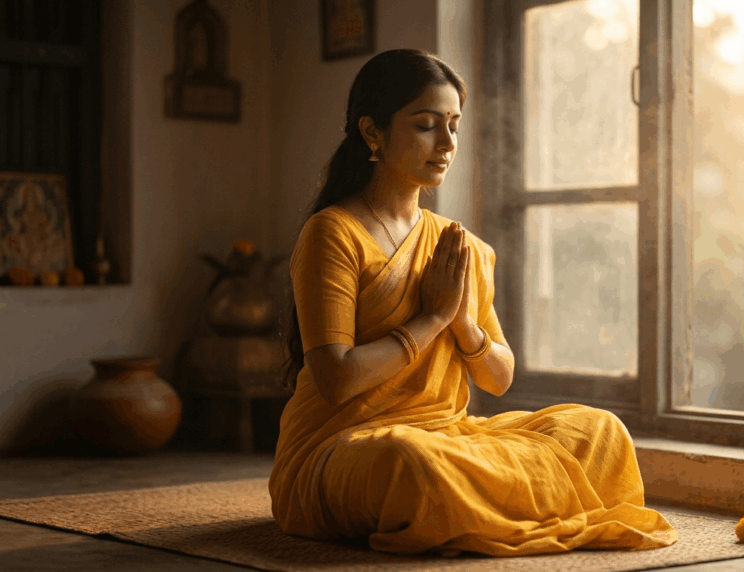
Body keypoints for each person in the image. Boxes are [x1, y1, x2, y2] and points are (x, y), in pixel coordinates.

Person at [270, 48, 677, 558]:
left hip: (447, 433)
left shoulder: (456, 245)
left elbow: (498, 378)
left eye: (454, 126)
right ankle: (490, 502)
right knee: (413, 464)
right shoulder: (333, 233)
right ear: (372, 133)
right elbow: (336, 379)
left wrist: (463, 324)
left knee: (600, 432)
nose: (446, 144)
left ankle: (476, 506)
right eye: (425, 126)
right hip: (346, 446)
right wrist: (432, 319)